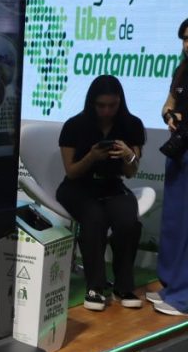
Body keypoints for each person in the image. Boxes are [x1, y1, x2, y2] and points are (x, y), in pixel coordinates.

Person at [56, 75, 145, 312]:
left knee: (128, 223)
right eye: (101, 105)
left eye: (112, 105)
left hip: (112, 185)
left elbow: (131, 172)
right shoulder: (74, 126)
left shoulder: (132, 125)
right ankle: (94, 287)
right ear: (92, 102)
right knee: (94, 218)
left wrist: (128, 155)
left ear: (120, 101)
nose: (106, 111)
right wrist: (92, 157)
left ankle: (123, 287)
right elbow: (72, 172)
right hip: (77, 187)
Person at [152, 24, 188, 317]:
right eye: (186, 39)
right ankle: (171, 285)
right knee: (174, 222)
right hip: (178, 150)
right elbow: (169, 103)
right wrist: (170, 116)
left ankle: (184, 296)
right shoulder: (182, 70)